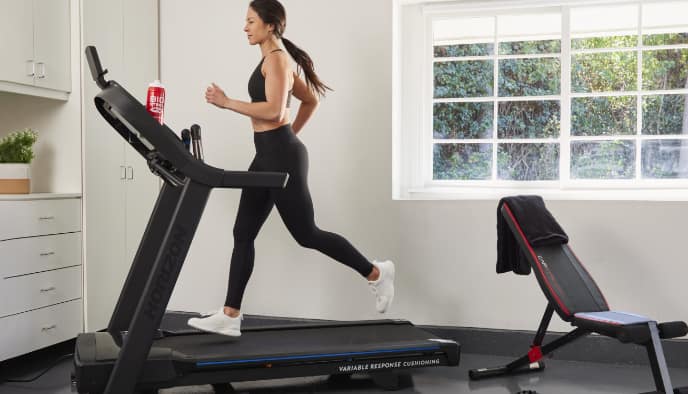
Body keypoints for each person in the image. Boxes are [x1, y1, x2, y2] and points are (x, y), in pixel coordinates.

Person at [188, 0, 395, 337]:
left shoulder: (279, 60)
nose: (245, 27)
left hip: (281, 158)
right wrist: (286, 137)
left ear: (270, 25)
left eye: (251, 20)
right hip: (268, 155)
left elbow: (273, 111)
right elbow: (309, 100)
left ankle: (376, 273)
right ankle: (230, 315)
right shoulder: (273, 61)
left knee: (306, 234)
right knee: (243, 233)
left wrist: (228, 104)